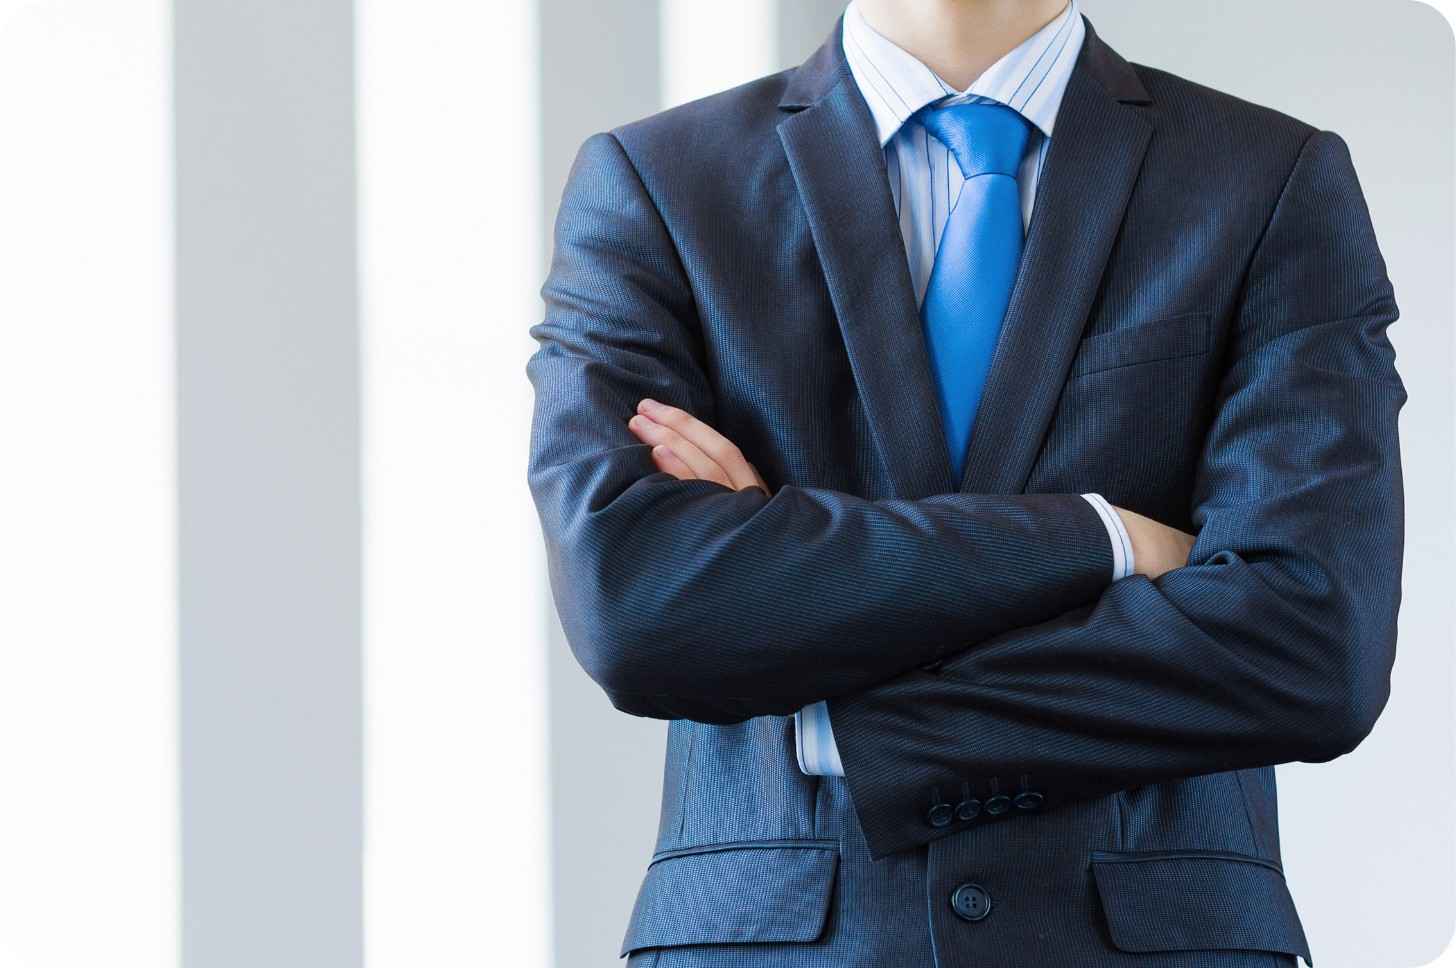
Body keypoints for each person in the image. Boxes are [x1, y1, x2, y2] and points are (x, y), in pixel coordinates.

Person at [524, 0, 1406, 964]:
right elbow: (641, 606)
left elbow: (1311, 642)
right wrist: (1101, 537)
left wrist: (847, 707)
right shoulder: (658, 183)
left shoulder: (1269, 179)